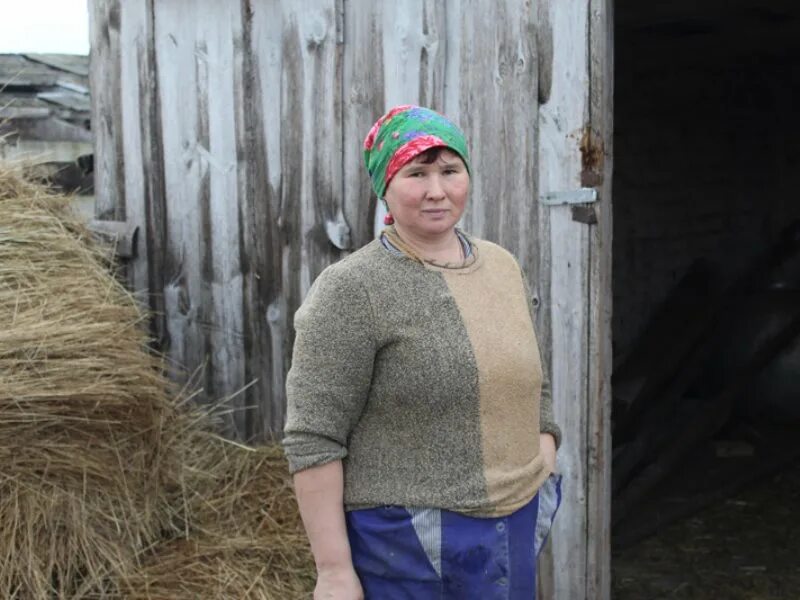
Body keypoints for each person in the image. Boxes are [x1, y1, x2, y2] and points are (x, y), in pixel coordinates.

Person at [283, 105, 562, 600]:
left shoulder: (500, 265)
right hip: (407, 540)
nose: (437, 190)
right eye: (417, 173)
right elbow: (313, 437)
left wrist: (544, 444)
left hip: (515, 518)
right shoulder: (353, 289)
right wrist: (333, 570)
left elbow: (528, 373)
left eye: (450, 170)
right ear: (386, 186)